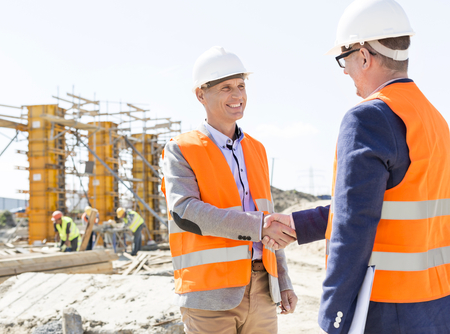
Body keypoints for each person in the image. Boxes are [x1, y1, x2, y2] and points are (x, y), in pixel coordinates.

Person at [263, 0, 450, 333]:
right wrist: (300, 224)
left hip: (386, 307)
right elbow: (387, 203)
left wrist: (332, 317)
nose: (345, 71)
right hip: (436, 304)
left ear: (364, 56)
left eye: (344, 60)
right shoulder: (435, 121)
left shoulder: (368, 118)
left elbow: (354, 222)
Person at [161, 46, 298, 334]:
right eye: (226, 88)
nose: (237, 96)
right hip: (209, 295)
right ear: (201, 94)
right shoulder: (181, 149)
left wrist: (283, 281)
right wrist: (259, 226)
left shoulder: (257, 149)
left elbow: (268, 216)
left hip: (262, 288)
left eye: (240, 86)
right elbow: (186, 212)